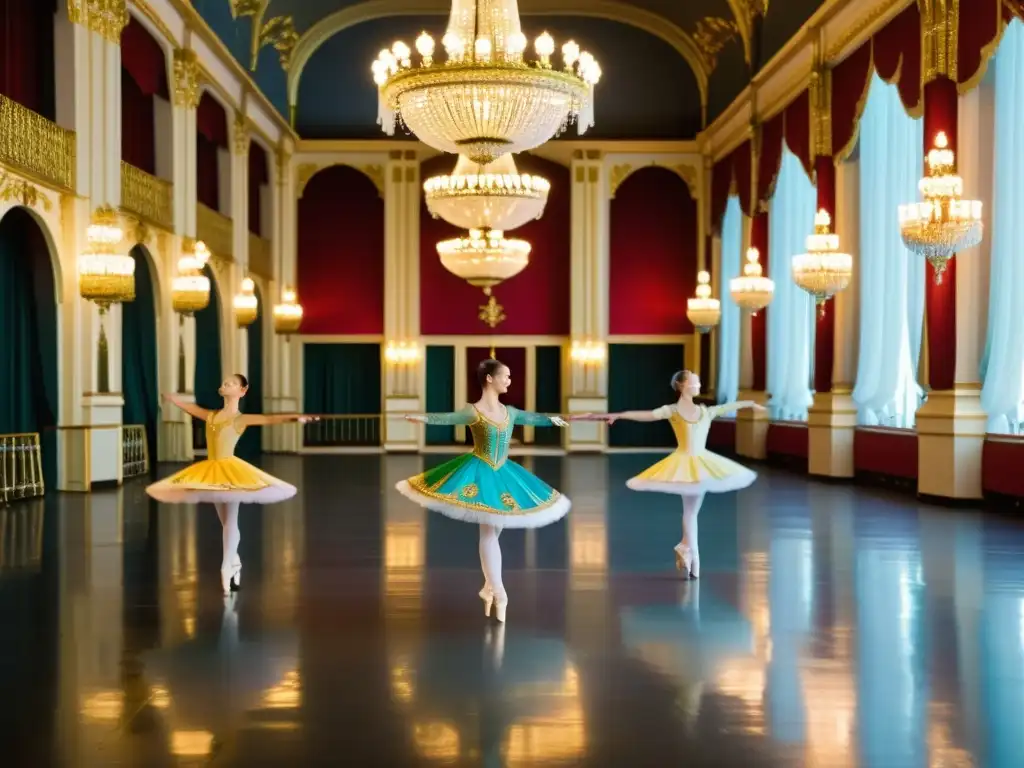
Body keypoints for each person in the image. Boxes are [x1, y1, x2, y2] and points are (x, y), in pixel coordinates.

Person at [397, 358, 571, 622]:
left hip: (504, 473)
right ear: (489, 378)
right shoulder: (473, 411)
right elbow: (446, 418)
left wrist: (573, 418)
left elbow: (538, 419)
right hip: (479, 473)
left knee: (494, 532)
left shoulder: (510, 412)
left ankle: (488, 588)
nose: (509, 381)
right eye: (506, 376)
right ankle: (499, 592)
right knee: (489, 532)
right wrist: (419, 417)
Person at [147, 374, 317, 595]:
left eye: (232, 383)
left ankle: (226, 567)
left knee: (230, 521)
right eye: (225, 382)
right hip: (211, 470)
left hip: (232, 472)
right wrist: (174, 400)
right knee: (226, 522)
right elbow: (192, 408)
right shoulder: (210, 416)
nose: (226, 384)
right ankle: (235, 564)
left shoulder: (240, 419)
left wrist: (297, 417)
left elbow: (268, 419)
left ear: (242, 391)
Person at [588, 370, 763, 579]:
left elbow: (728, 407)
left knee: (692, 512)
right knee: (690, 512)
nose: (699, 384)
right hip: (683, 464)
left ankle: (685, 548)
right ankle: (694, 558)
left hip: (703, 463)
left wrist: (750, 404)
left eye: (699, 380)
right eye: (695, 381)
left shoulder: (706, 411)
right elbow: (647, 415)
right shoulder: (671, 410)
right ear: (683, 385)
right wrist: (620, 415)